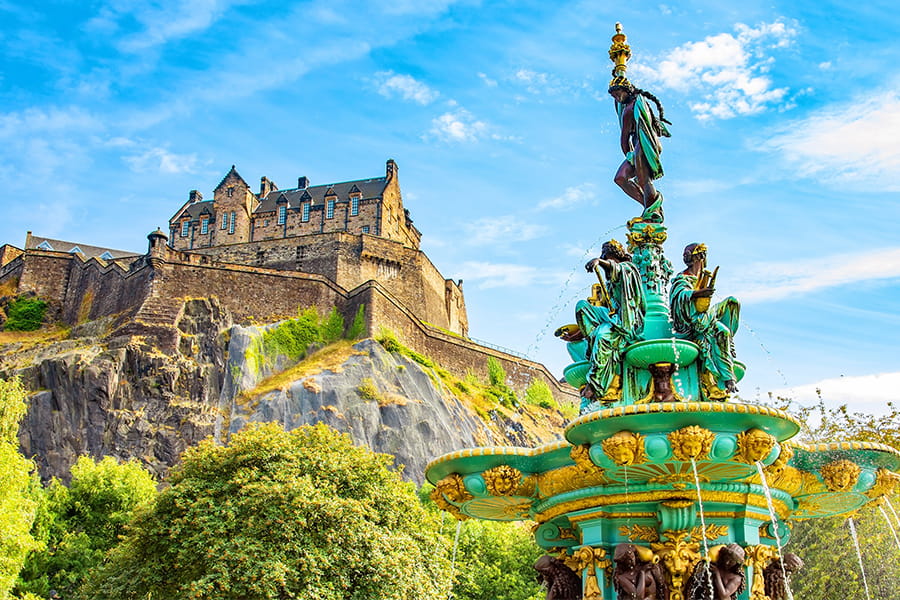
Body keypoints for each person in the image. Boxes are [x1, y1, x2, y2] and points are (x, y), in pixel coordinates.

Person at [577, 240, 646, 406]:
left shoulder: (629, 268)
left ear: (614, 255)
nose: (602, 257)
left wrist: (600, 263)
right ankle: (594, 339)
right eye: (601, 255)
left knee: (603, 334)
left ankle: (596, 385)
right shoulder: (610, 279)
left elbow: (618, 270)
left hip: (627, 320)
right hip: (611, 316)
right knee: (582, 307)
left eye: (605, 254)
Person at [669, 243, 740, 397]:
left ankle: (727, 346)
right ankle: (725, 377)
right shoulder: (683, 278)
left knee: (732, 304)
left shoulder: (702, 276)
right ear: (699, 256)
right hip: (693, 321)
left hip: (705, 316)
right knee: (719, 332)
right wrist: (697, 293)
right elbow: (678, 296)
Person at [609, 76, 671, 221]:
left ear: (627, 91)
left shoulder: (631, 109)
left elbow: (624, 139)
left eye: (618, 94)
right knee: (620, 178)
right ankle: (651, 206)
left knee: (644, 180)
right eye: (614, 96)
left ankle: (652, 212)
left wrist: (629, 155)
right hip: (646, 144)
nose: (617, 99)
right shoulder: (639, 102)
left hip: (643, 145)